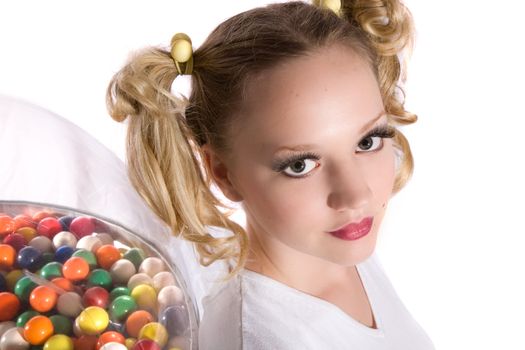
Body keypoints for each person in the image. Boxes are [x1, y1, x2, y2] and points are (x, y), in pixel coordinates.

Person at [105, 0, 436, 348]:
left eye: (367, 141)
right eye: (300, 165)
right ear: (224, 174)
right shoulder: (263, 339)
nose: (357, 195)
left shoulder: (338, 244)